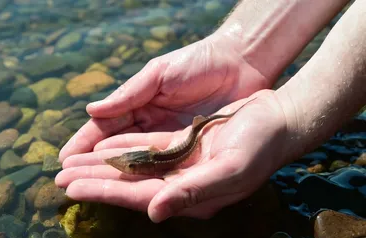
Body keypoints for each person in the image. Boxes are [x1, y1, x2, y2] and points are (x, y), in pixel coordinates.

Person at [55, 0, 366, 223]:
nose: (126, 168)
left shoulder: (167, 159)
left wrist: (293, 113)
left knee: (193, 138)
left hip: (184, 144)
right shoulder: (151, 155)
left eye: (132, 167)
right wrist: (240, 48)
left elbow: (170, 166)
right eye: (131, 166)